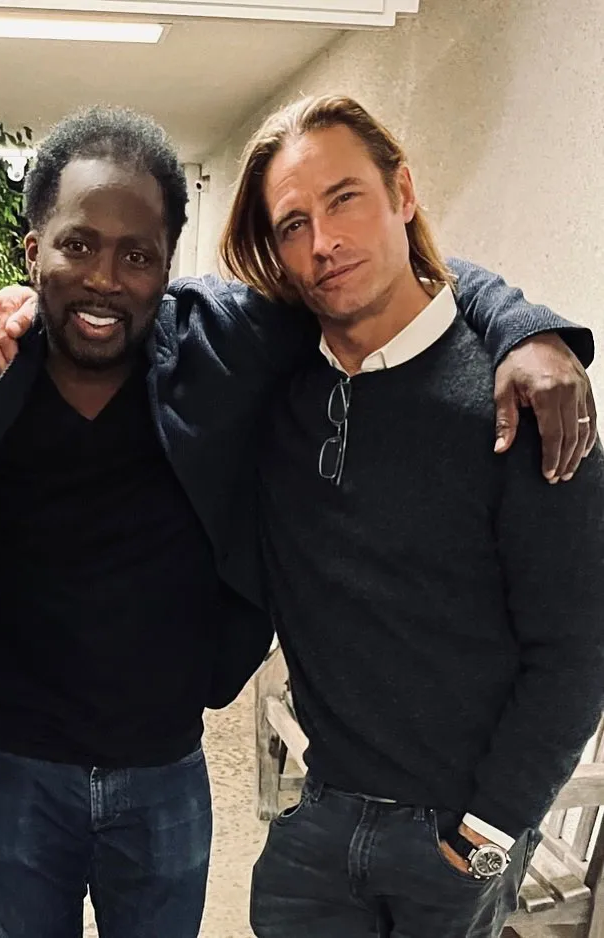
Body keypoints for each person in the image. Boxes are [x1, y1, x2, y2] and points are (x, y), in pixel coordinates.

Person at [0, 106, 597, 938]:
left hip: (165, 769)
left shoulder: (225, 347)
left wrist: (523, 324)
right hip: (11, 769)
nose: (105, 278)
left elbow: (367, 275)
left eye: (138, 255)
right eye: (77, 246)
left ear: (168, 263)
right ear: (31, 252)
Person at [217, 93, 604, 938]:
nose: (323, 242)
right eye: (293, 224)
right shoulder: (278, 390)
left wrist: (488, 841)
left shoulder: (522, 403)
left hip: (458, 835)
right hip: (317, 824)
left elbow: (575, 654)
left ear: (401, 191)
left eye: (344, 199)